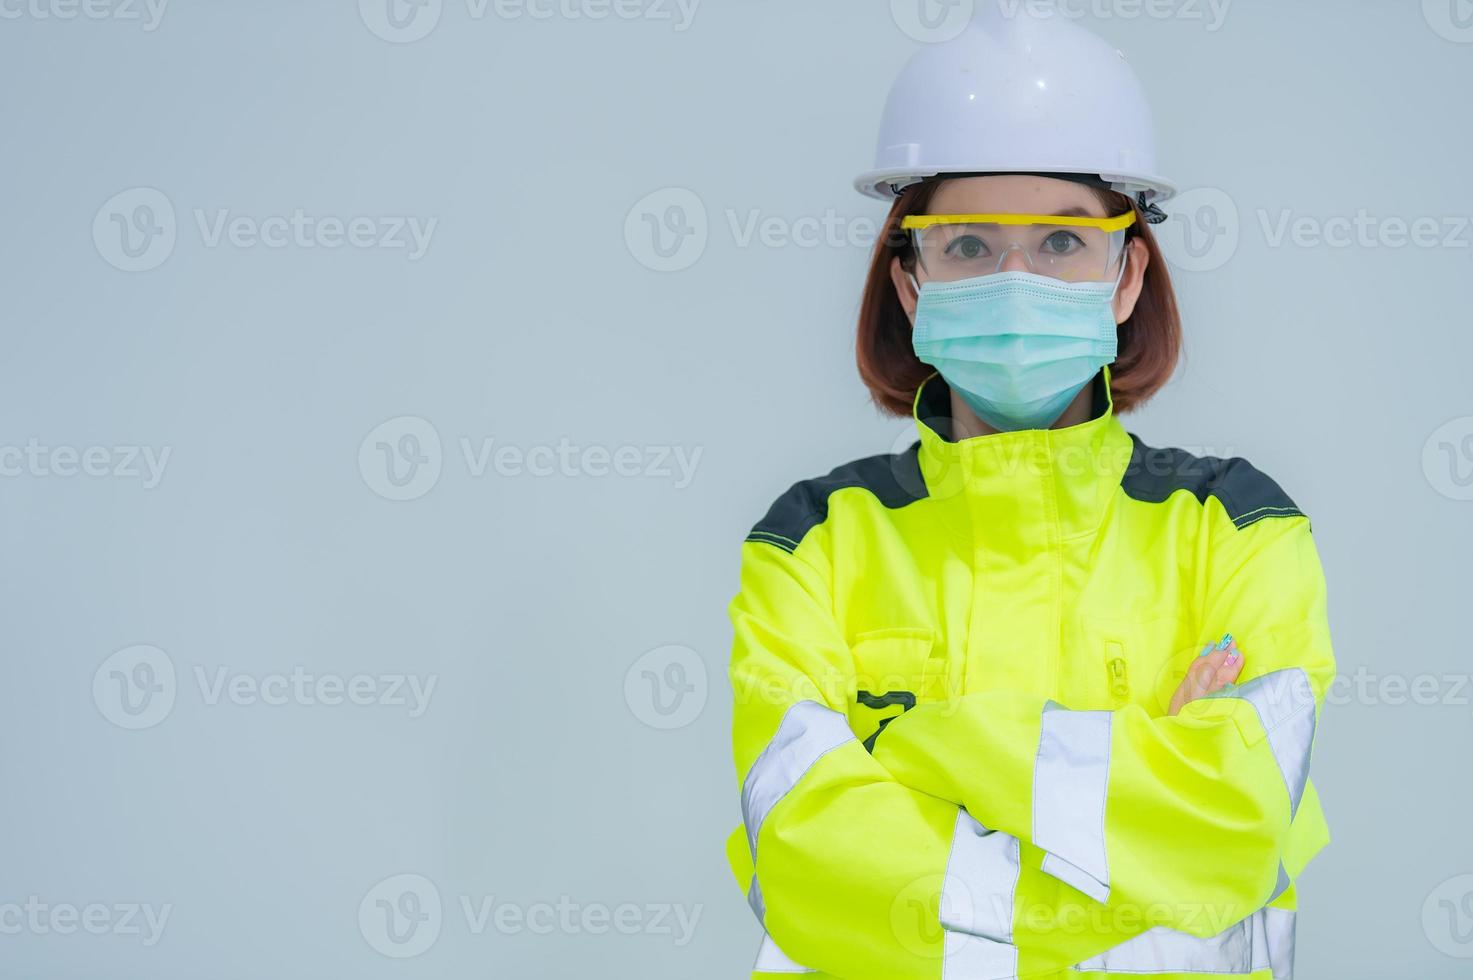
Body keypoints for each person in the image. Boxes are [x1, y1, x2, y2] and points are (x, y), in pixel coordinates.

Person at [722, 10, 1333, 980]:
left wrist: (914, 748)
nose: (1016, 278)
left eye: (1060, 240)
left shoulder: (1236, 527)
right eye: (967, 245)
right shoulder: (813, 544)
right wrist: (1134, 812)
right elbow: (807, 859)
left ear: (1127, 274)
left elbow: (1236, 823)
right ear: (912, 282)